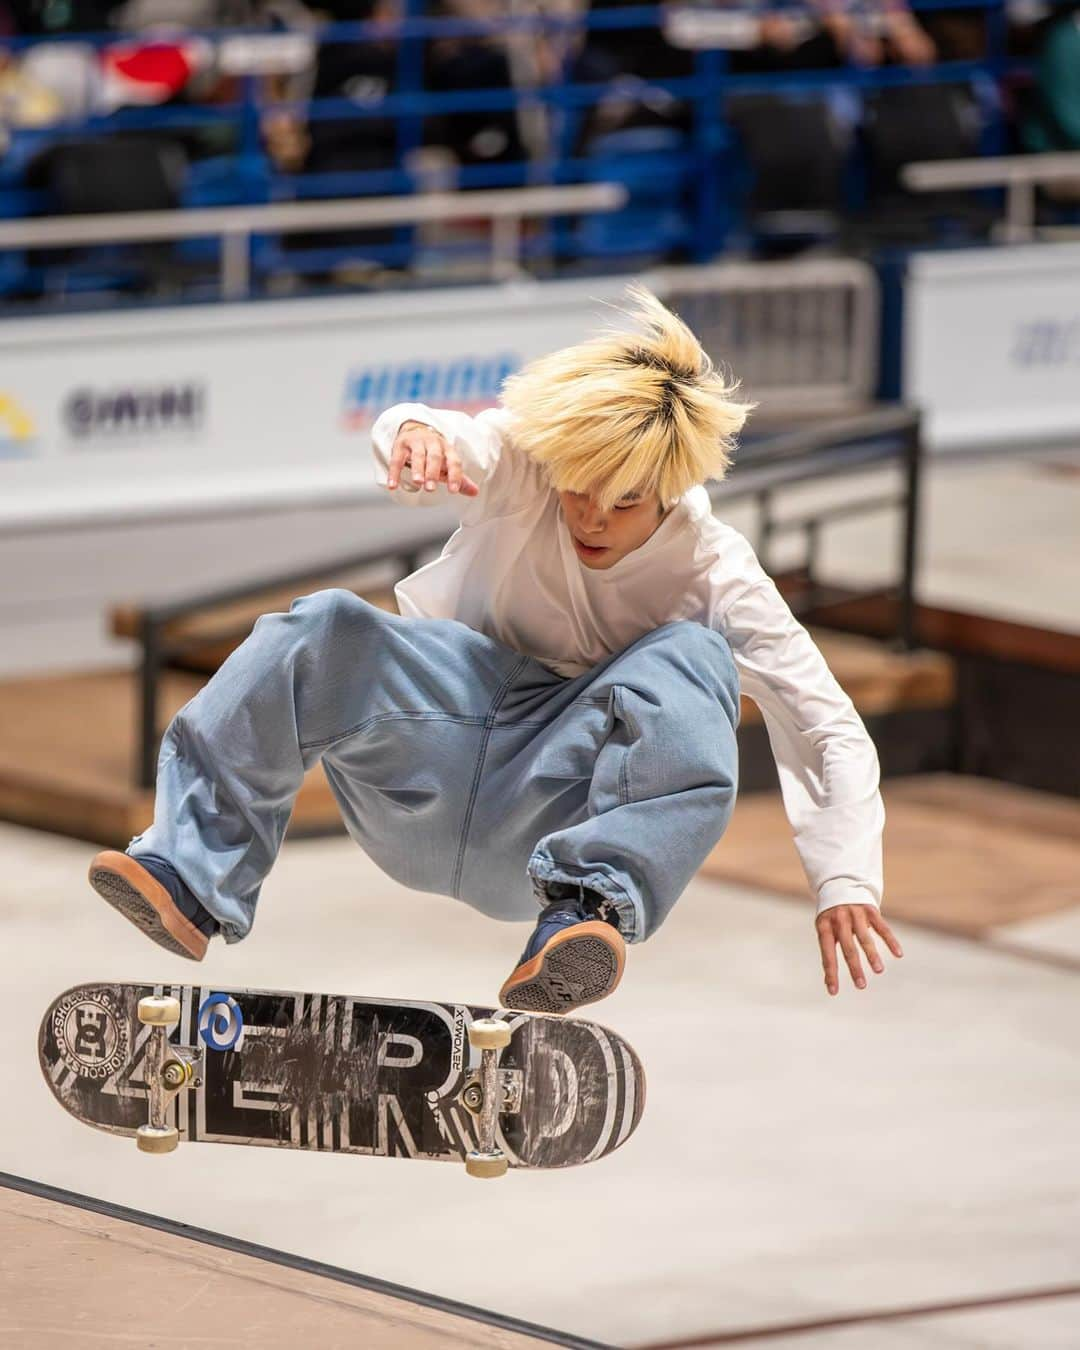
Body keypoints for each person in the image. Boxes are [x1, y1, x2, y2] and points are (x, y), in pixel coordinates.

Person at [87, 287, 902, 1012]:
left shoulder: (720, 575)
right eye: (577, 491)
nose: (588, 519)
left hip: (544, 815)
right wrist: (413, 434)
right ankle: (188, 879)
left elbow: (825, 725)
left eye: (620, 505)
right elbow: (452, 433)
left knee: (691, 659)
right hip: (423, 771)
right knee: (321, 627)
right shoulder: (534, 464)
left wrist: (844, 876)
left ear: (670, 488)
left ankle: (587, 913)